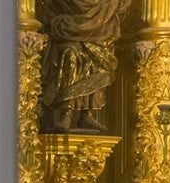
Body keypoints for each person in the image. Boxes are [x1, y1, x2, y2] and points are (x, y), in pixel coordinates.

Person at [40, 0, 133, 132]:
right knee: (71, 56)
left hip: (101, 28)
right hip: (70, 26)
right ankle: (66, 110)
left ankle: (86, 113)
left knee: (98, 65)